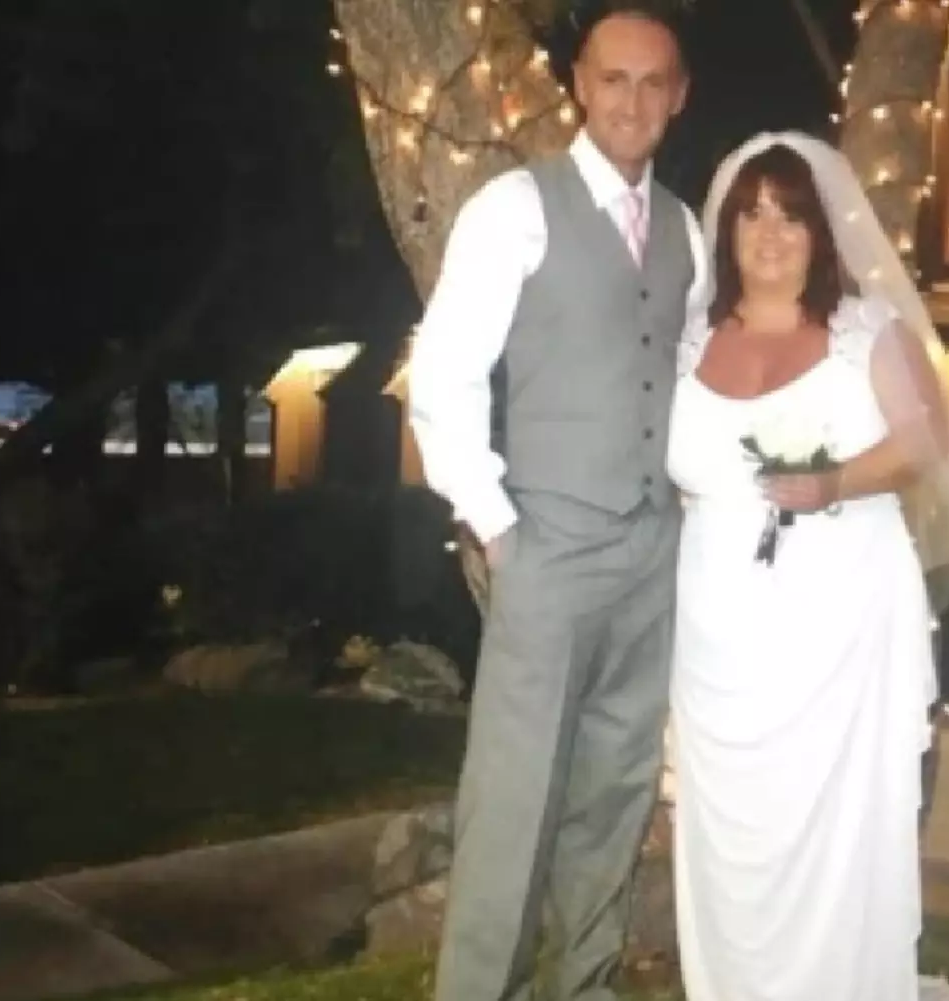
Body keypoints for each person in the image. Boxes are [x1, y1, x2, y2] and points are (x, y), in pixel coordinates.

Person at [405, 3, 709, 999]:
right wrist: (497, 527)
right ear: (580, 83)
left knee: (615, 796)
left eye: (653, 82)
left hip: (654, 551)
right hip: (547, 546)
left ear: (678, 96)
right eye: (613, 78)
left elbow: (688, 370)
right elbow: (445, 376)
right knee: (513, 804)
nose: (632, 101)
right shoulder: (514, 207)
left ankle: (583, 986)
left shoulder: (687, 229)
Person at [665, 132, 949, 1000]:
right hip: (717, 628)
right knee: (729, 828)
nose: (770, 235)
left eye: (790, 217)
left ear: (820, 232)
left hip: (842, 623)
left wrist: (834, 480)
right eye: (753, 215)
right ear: (726, 230)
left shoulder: (865, 332)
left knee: (836, 824)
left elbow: (923, 440)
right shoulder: (684, 343)